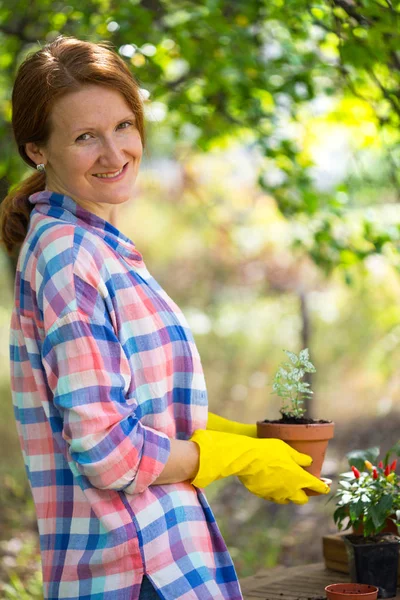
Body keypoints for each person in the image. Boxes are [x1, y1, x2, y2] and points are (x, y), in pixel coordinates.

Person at [0, 36, 329, 600]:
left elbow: (135, 407)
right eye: (84, 137)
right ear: (38, 150)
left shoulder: (97, 244)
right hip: (134, 571)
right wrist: (241, 458)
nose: (114, 152)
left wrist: (250, 436)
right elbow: (110, 453)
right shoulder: (67, 257)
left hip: (164, 561)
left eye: (124, 125)